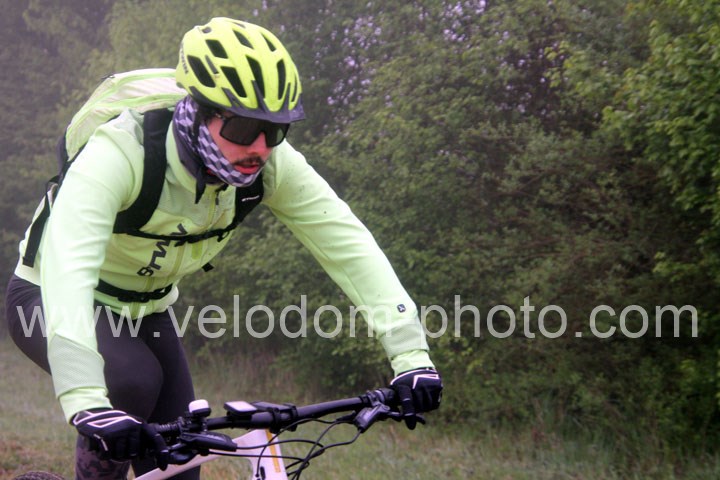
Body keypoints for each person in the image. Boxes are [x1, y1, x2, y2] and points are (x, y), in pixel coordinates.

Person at [5, 17, 442, 479]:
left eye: (275, 130)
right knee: (132, 380)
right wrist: (86, 401)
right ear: (198, 111)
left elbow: (349, 246)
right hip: (46, 296)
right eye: (245, 127)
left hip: (148, 309)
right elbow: (69, 269)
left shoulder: (271, 167)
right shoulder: (120, 153)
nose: (260, 147)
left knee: (181, 465)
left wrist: (411, 357)